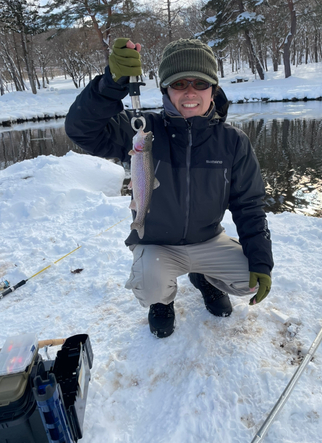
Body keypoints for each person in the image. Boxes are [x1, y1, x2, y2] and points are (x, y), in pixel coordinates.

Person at [65, 38, 273, 338]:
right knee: (151, 285)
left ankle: (205, 279)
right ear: (166, 89)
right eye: (179, 83)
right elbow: (80, 129)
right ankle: (161, 302)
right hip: (157, 244)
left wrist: (262, 262)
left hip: (208, 241)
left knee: (250, 279)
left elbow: (249, 206)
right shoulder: (141, 131)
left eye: (200, 83)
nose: (190, 91)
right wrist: (110, 85)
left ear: (213, 88)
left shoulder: (233, 141)